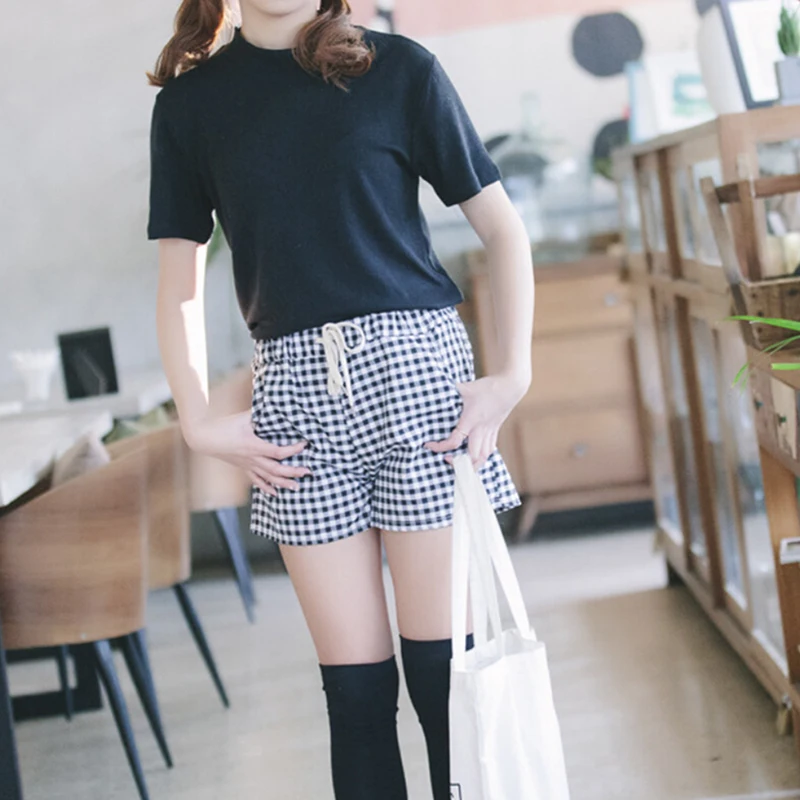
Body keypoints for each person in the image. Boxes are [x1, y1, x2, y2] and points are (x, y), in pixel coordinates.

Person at [146, 1, 534, 798]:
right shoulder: (190, 105)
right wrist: (196, 419)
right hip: (293, 399)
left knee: (444, 679)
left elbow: (503, 228)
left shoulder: (399, 70)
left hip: (418, 381)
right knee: (355, 696)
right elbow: (178, 284)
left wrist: (514, 374)